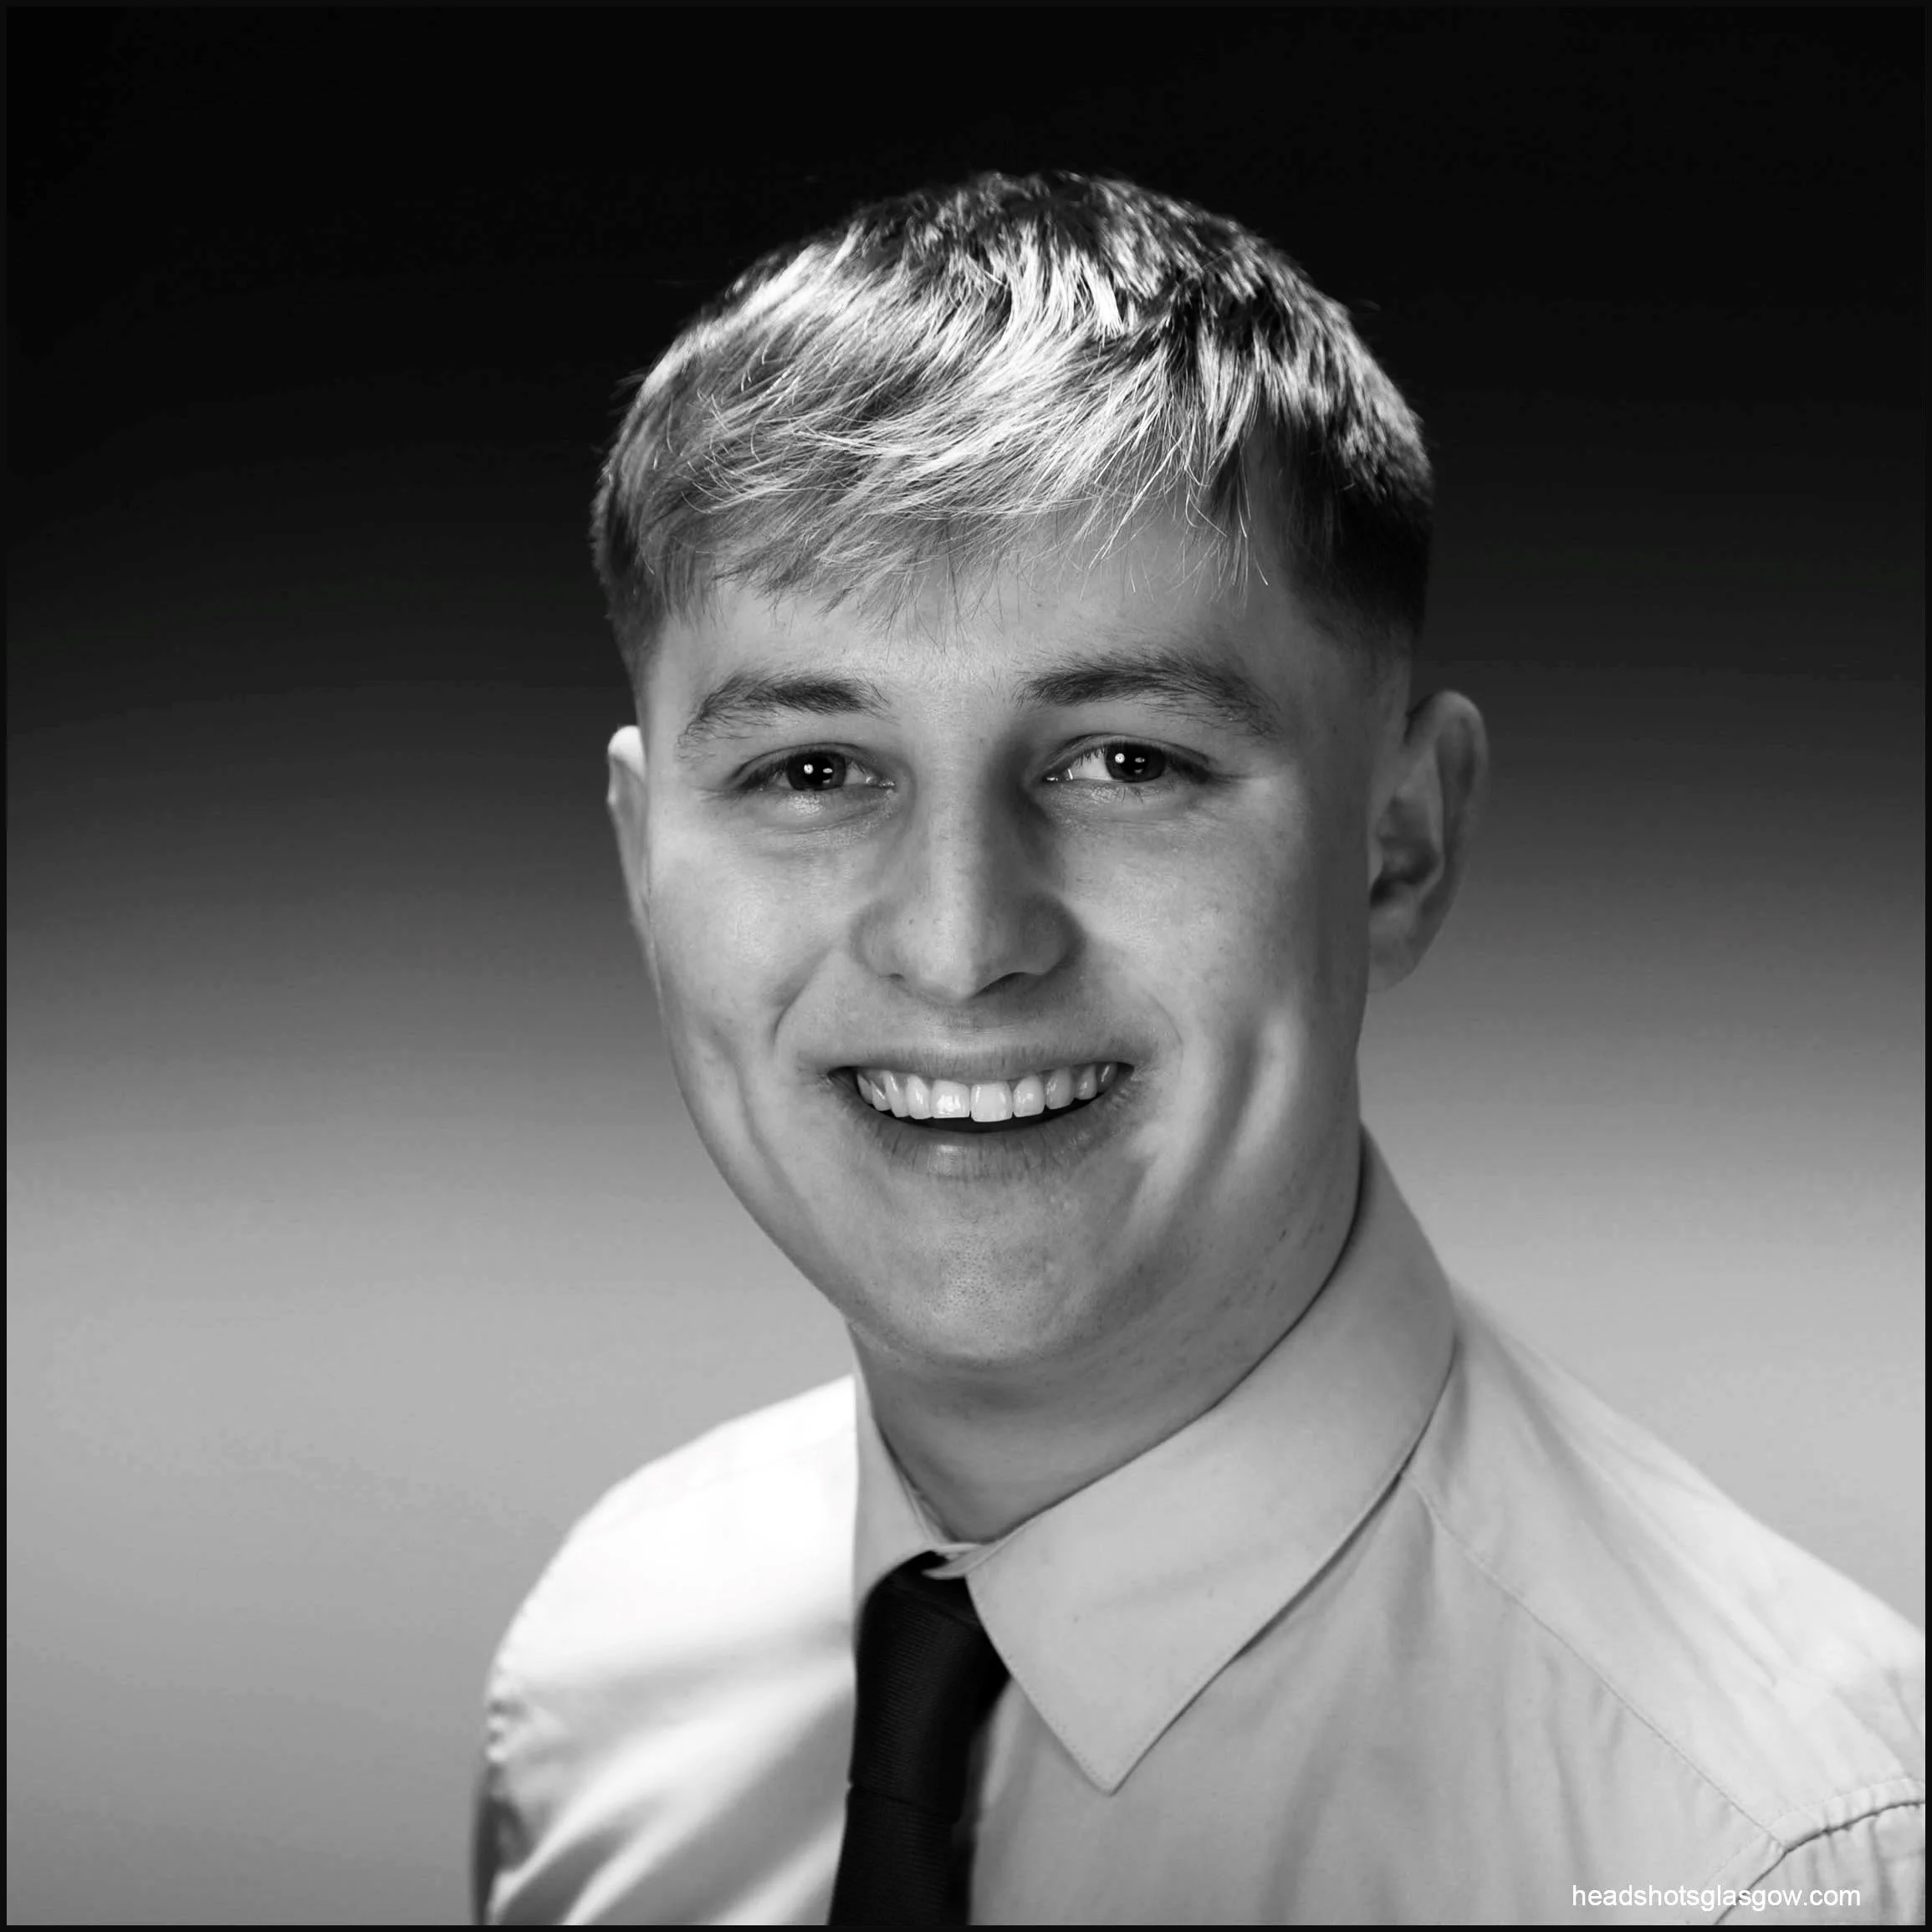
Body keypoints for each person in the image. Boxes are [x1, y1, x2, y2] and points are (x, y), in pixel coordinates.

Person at [469, 171, 1924, 1925]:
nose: (957, 946)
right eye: (812, 772)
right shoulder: (609, 1665)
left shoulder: (1768, 1856)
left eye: (1123, 763)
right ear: (645, 863)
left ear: (1399, 845)